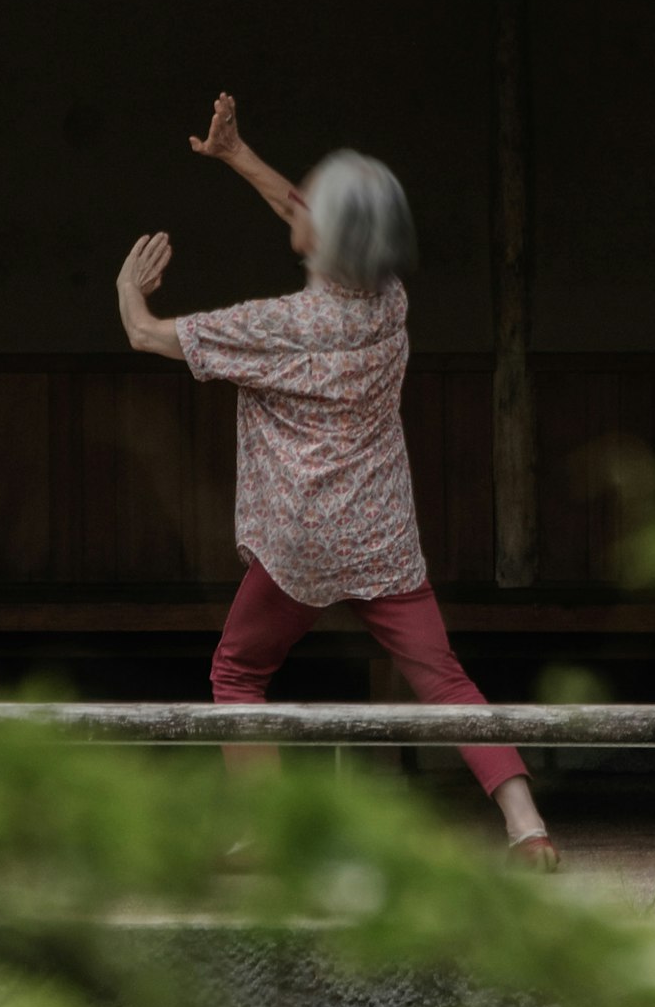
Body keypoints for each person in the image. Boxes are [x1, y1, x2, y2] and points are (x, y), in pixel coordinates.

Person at [115, 94, 559, 867]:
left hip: (300, 540)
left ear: (327, 233)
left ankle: (265, 832)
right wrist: (237, 155)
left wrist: (128, 288)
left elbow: (146, 336)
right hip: (379, 535)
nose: (300, 201)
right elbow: (302, 209)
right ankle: (527, 827)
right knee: (444, 680)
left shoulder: (282, 325)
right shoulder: (391, 303)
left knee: (238, 669)